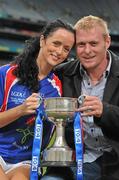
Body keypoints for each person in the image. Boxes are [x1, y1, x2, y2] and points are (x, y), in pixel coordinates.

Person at [0, 19, 75, 180]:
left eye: (66, 48)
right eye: (56, 43)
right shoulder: (6, 75)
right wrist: (20, 110)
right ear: (42, 40)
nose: (59, 51)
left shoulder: (57, 88)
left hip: (26, 160)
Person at [54, 15, 119, 180]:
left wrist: (104, 111)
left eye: (93, 43)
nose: (87, 51)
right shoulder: (62, 73)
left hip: (115, 161)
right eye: (81, 45)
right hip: (75, 159)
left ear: (107, 42)